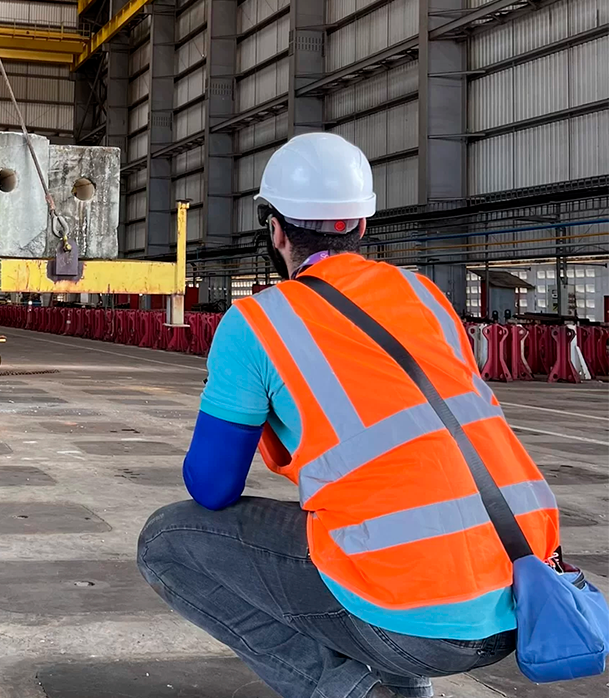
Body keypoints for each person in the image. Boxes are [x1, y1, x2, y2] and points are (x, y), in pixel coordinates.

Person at [136, 132, 561, 698]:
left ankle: (354, 693)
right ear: (361, 226)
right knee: (372, 543)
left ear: (276, 230)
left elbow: (212, 487)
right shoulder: (427, 297)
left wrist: (245, 405)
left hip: (418, 611)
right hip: (528, 585)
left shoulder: (257, 322)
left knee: (168, 539)